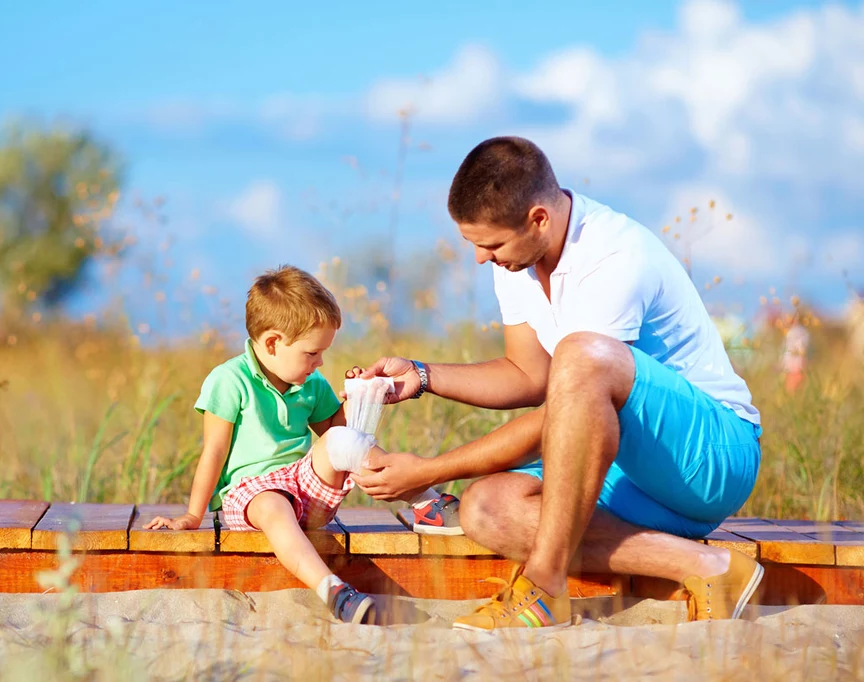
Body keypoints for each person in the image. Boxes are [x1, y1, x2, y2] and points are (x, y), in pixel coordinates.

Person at [351, 136, 764, 630]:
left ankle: (543, 587)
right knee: (486, 508)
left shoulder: (614, 257)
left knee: (581, 355)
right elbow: (529, 376)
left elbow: (570, 403)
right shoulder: (518, 259)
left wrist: (430, 472)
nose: (481, 259)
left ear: (538, 218)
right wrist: (421, 376)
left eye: (491, 244)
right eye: (474, 244)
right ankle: (709, 568)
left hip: (711, 458)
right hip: (630, 472)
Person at [144, 265, 455, 624]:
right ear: (274, 342)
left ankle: (426, 501)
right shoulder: (229, 380)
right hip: (251, 496)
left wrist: (358, 399)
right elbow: (213, 451)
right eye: (312, 353)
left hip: (303, 487)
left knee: (341, 440)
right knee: (273, 505)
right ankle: (333, 591)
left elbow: (342, 435)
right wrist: (193, 515)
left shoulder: (312, 383)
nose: (320, 362)